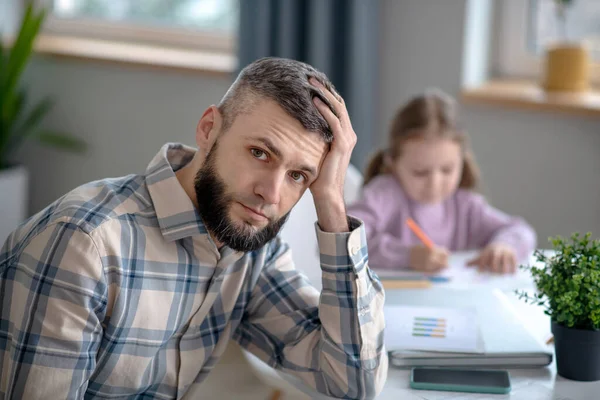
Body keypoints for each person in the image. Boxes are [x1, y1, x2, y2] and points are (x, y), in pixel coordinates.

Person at [0, 57, 387, 399]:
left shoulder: (249, 246)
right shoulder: (84, 246)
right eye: (259, 153)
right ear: (207, 130)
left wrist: (332, 204)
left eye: (299, 176)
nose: (270, 194)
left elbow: (352, 380)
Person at [347, 89, 536, 274]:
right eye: (420, 172)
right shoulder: (384, 194)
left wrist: (503, 246)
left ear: (462, 160)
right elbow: (346, 239)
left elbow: (521, 231)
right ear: (393, 162)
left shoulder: (465, 205)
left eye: (447, 170)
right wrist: (407, 256)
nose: (434, 183)